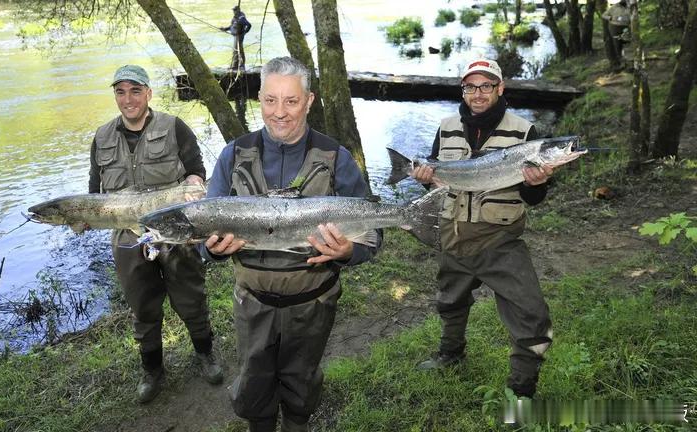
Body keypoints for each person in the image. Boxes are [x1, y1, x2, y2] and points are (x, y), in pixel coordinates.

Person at [200, 56, 381, 432]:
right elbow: (203, 228)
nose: (279, 113)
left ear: (310, 101)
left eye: (291, 101)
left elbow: (374, 234)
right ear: (260, 99)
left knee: (301, 386)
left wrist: (350, 252)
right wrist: (210, 248)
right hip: (253, 304)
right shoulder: (233, 156)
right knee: (254, 386)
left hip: (313, 304)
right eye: (270, 100)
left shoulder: (336, 159)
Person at [412, 59, 553, 399]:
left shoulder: (525, 132)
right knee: (450, 300)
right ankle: (450, 354)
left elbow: (534, 198)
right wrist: (423, 179)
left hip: (499, 240)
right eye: (470, 87)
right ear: (463, 91)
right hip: (453, 234)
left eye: (486, 86)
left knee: (531, 314)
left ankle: (521, 390)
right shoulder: (446, 127)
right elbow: (438, 184)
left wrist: (538, 182)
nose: (477, 94)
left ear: (500, 88)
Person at [88, 64, 223, 404]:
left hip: (175, 231)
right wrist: (85, 218)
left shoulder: (174, 127)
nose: (128, 99)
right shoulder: (102, 136)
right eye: (121, 91)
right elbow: (94, 193)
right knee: (142, 307)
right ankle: (152, 370)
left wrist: (194, 185)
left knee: (190, 298)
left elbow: (196, 171)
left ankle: (206, 354)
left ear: (148, 93)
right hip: (127, 237)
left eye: (135, 91)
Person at [220, 5, 252, 70]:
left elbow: (249, 25)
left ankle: (238, 66)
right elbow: (232, 26)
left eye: (235, 10)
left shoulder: (241, 18)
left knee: (237, 50)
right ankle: (237, 65)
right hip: (235, 36)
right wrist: (224, 29)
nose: (233, 11)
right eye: (233, 10)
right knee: (237, 50)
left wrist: (245, 32)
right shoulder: (235, 17)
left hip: (239, 36)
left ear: (238, 10)